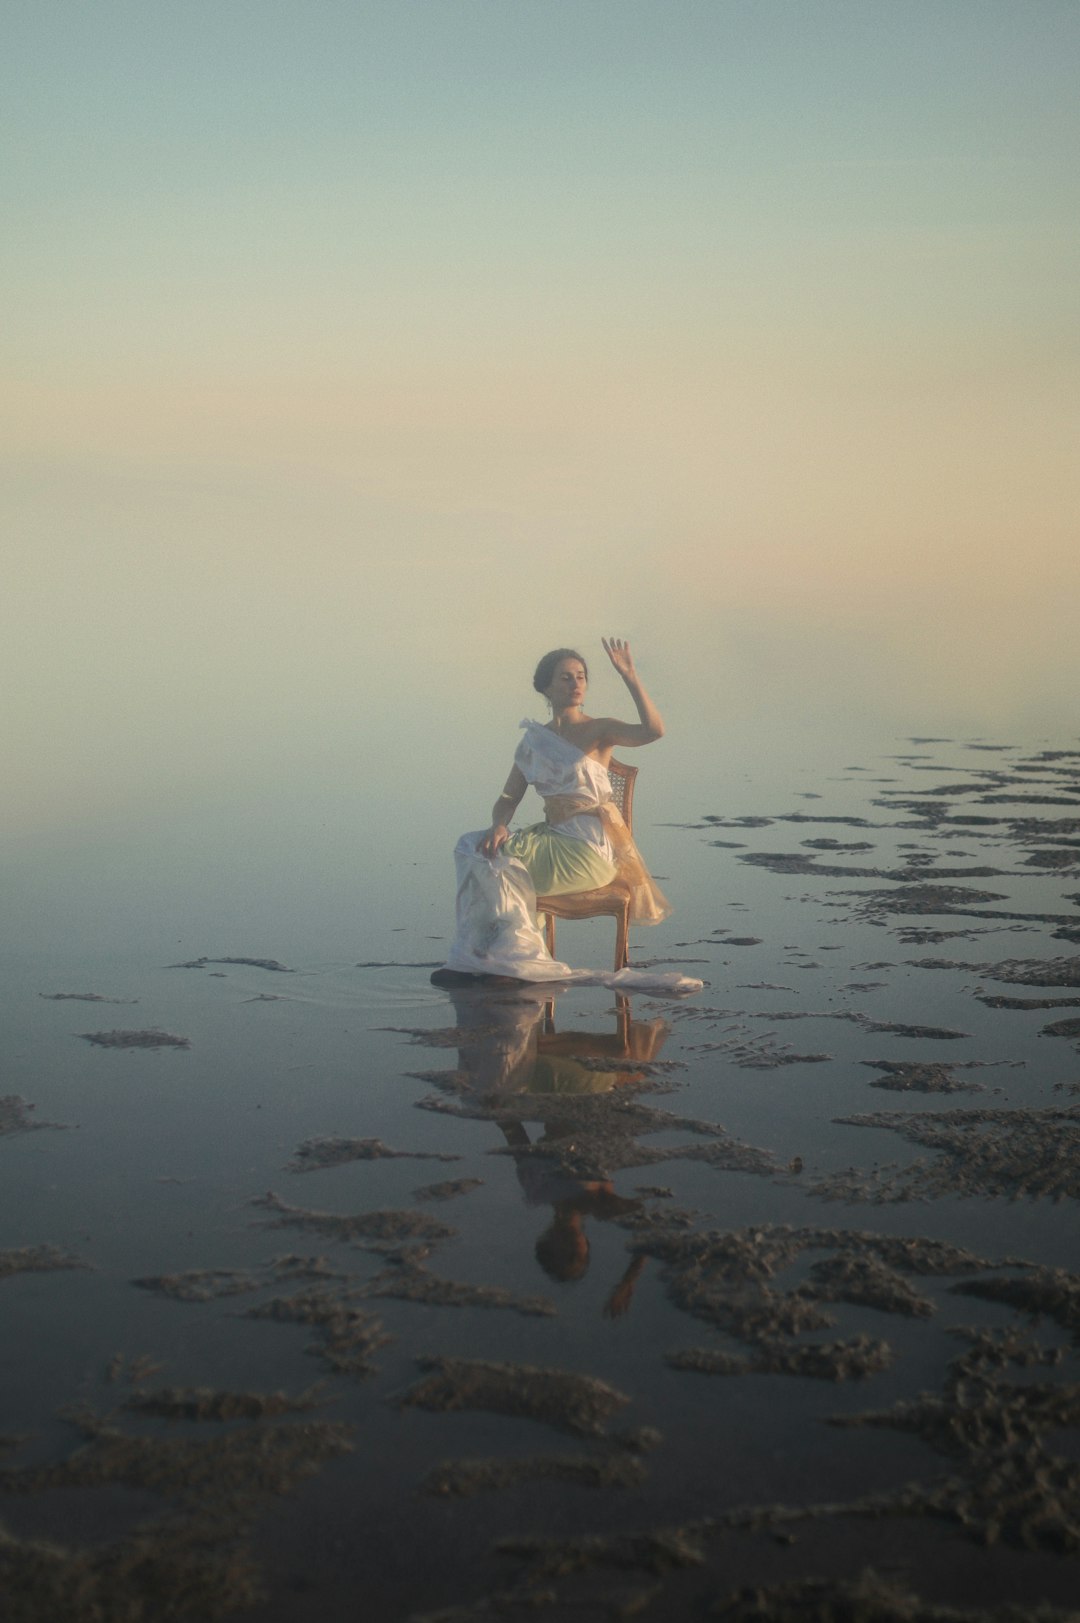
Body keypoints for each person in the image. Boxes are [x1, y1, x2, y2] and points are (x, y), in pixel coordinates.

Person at [433, 639, 701, 992]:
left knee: (505, 862)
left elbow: (654, 731)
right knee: (475, 846)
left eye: (581, 677)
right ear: (545, 686)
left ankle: (503, 959)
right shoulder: (534, 740)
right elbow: (508, 796)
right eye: (565, 678)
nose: (576, 684)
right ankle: (489, 956)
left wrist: (630, 676)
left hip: (588, 848)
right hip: (551, 837)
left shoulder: (599, 730)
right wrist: (500, 823)